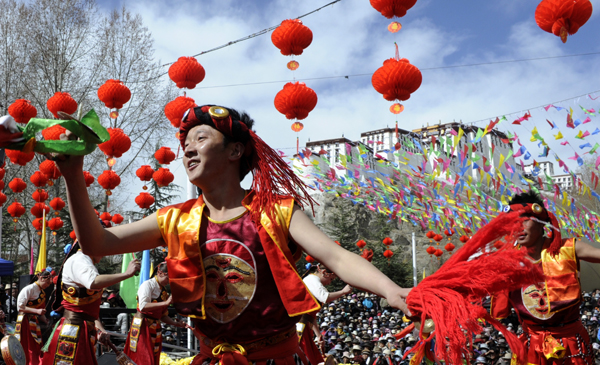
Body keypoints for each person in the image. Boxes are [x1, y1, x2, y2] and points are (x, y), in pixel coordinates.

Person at [53, 105, 411, 365]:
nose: (188, 149)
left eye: (201, 138)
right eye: (185, 144)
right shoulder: (175, 220)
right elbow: (97, 243)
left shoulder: (278, 211)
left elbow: (336, 257)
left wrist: (393, 291)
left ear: (235, 151)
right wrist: (72, 174)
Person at [491, 190, 600, 364]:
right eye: (513, 222)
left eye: (525, 221)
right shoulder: (505, 262)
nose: (518, 227)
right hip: (530, 346)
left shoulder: (567, 249)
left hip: (571, 345)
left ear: (542, 222)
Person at [41, 241, 140, 365]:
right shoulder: (79, 260)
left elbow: (87, 309)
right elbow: (93, 282)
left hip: (83, 330)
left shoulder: (86, 261)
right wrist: (126, 274)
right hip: (74, 331)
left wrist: (100, 329)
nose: (105, 253)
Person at [123, 262, 188, 365]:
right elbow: (143, 306)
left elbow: (163, 315)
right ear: (160, 273)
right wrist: (166, 302)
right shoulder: (147, 285)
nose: (169, 281)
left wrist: (176, 324)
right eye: (168, 278)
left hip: (156, 327)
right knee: (142, 358)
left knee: (154, 357)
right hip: (142, 326)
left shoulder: (164, 291)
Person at [299, 263, 352, 365]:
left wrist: (318, 335)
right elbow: (325, 297)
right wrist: (343, 292)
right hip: (300, 328)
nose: (329, 283)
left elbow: (311, 316)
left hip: (306, 327)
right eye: (331, 279)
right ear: (324, 272)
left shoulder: (314, 281)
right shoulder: (311, 279)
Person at [16, 271, 52, 365]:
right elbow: (20, 307)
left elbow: (40, 311)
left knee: (36, 345)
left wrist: (45, 320)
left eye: (49, 284)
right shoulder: (29, 289)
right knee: (27, 345)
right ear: (41, 278)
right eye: (47, 282)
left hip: (34, 322)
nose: (48, 285)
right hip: (24, 321)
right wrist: (36, 311)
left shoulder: (42, 293)